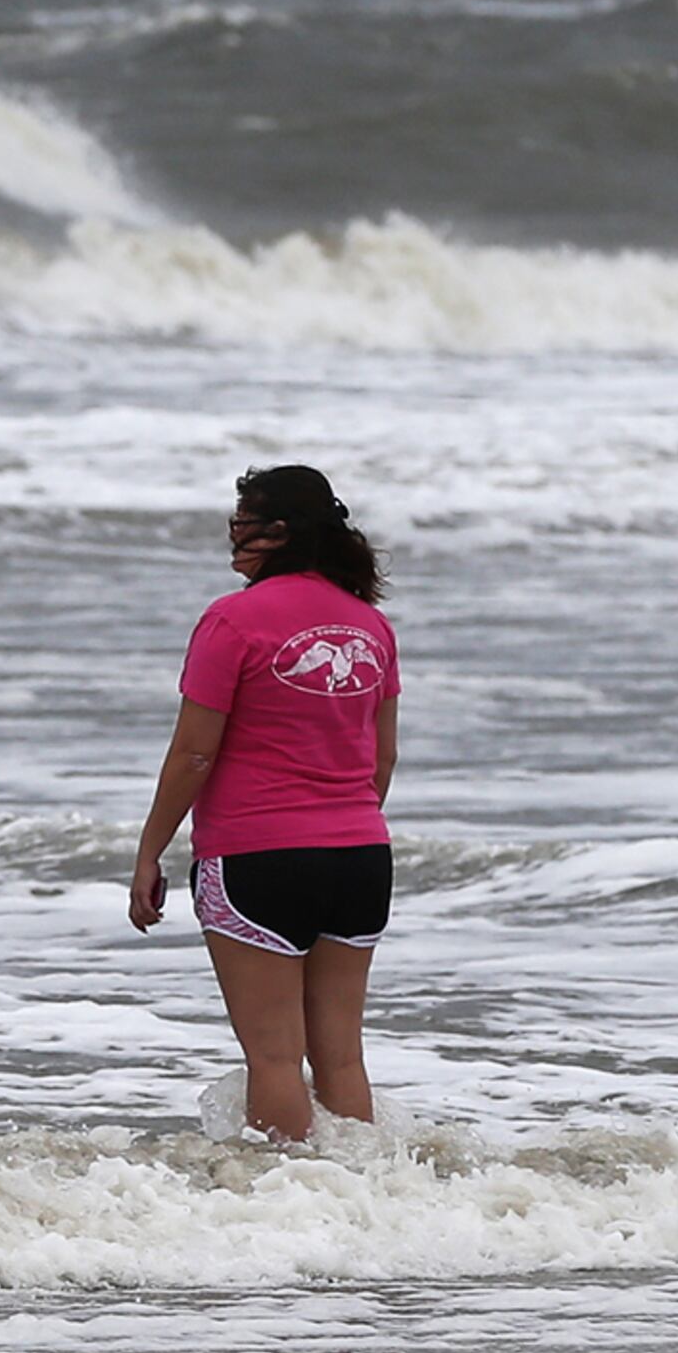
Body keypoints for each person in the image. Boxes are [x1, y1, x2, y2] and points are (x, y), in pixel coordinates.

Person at [127, 465, 398, 1141]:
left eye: (240, 524)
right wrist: (343, 827)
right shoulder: (369, 626)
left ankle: (288, 1212)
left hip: (258, 859)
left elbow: (195, 753)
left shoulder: (231, 620)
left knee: (273, 1057)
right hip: (361, 858)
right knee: (341, 1058)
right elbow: (381, 758)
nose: (234, 539)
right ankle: (367, 1203)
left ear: (276, 533)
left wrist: (150, 849)